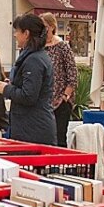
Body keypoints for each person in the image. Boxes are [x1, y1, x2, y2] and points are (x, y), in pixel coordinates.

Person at [0, 14, 56, 145]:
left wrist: (7, 90)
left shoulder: (34, 60)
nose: (15, 35)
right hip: (31, 126)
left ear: (26, 33)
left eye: (17, 31)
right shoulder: (35, 56)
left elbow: (29, 96)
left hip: (33, 129)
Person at [42, 13, 78, 147]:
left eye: (45, 26)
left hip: (60, 101)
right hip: (44, 102)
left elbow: (72, 73)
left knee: (59, 137)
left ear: (52, 27)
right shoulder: (39, 47)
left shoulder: (62, 46)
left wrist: (65, 96)